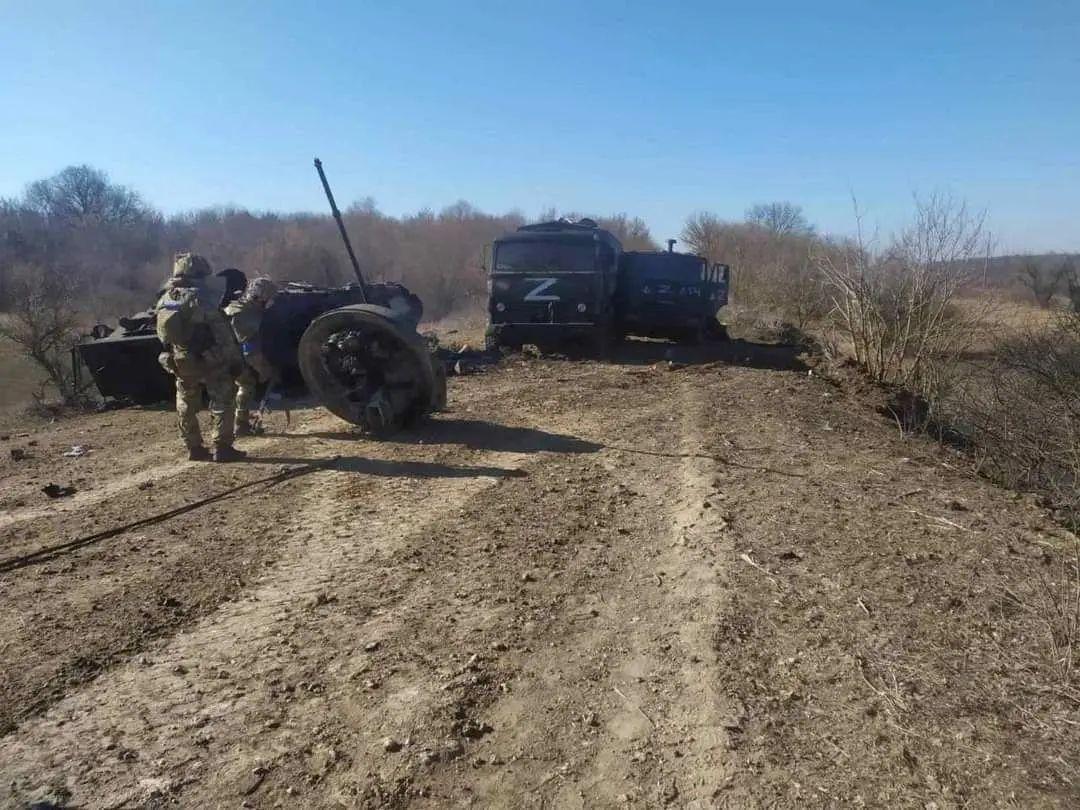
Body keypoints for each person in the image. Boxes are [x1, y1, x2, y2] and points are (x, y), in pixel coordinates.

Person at [155, 253, 247, 462]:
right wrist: (235, 361)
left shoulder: (166, 297)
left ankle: (194, 448)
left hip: (180, 357)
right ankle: (223, 447)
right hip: (210, 358)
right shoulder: (201, 298)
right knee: (223, 398)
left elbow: (162, 333)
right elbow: (221, 333)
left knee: (185, 401)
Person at [224, 276, 279, 435]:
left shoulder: (239, 307)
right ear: (261, 296)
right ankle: (240, 425)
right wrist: (265, 371)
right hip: (229, 355)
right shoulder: (245, 315)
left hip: (227, 352)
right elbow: (251, 352)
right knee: (246, 384)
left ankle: (240, 420)